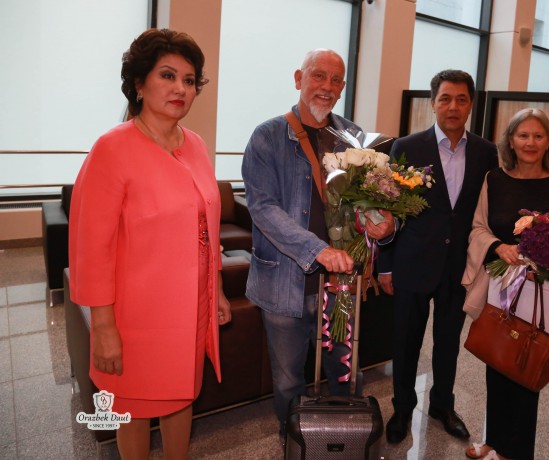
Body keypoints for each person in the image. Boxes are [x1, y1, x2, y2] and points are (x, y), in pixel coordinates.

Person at [69, 29, 232, 459]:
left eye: (189, 80)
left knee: (182, 395)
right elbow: (91, 248)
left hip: (191, 308)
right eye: (167, 75)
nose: (181, 88)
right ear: (139, 84)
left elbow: (207, 224)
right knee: (134, 407)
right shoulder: (112, 148)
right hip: (135, 315)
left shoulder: (196, 145)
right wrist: (103, 327)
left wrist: (216, 289)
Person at [241, 49, 395, 442]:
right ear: (299, 78)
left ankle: (343, 440)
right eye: (318, 76)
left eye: (336, 79)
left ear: (343, 87)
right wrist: (318, 250)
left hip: (342, 285)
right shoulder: (267, 136)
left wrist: (385, 224)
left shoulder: (354, 137)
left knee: (345, 372)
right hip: (284, 284)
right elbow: (263, 209)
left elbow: (372, 200)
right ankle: (294, 440)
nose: (327, 86)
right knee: (288, 380)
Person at [461, 108, 549, 460]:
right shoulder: (494, 179)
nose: (530, 142)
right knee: (497, 361)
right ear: (510, 141)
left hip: (542, 291)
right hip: (502, 287)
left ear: (548, 141)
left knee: (526, 366)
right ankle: (493, 440)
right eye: (523, 135)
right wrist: (499, 246)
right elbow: (478, 227)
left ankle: (515, 451)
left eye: (538, 135)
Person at [378, 69, 498, 444]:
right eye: (445, 98)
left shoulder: (486, 152)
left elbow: (487, 211)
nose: (453, 106)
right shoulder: (406, 147)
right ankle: (402, 408)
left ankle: (442, 406)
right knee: (406, 342)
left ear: (471, 105)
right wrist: (385, 265)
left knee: (448, 344)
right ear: (432, 103)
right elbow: (388, 210)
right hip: (412, 263)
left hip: (459, 268)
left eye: (461, 99)